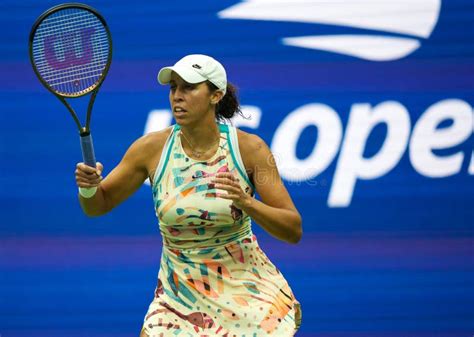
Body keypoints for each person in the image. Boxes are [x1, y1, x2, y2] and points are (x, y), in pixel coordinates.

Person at [75, 54, 303, 336]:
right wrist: (88, 187)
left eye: (189, 88)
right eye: (173, 88)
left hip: (246, 295)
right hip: (177, 298)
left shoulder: (250, 150)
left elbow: (293, 228)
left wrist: (248, 204)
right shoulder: (150, 149)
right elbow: (98, 205)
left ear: (215, 95)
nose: (177, 97)